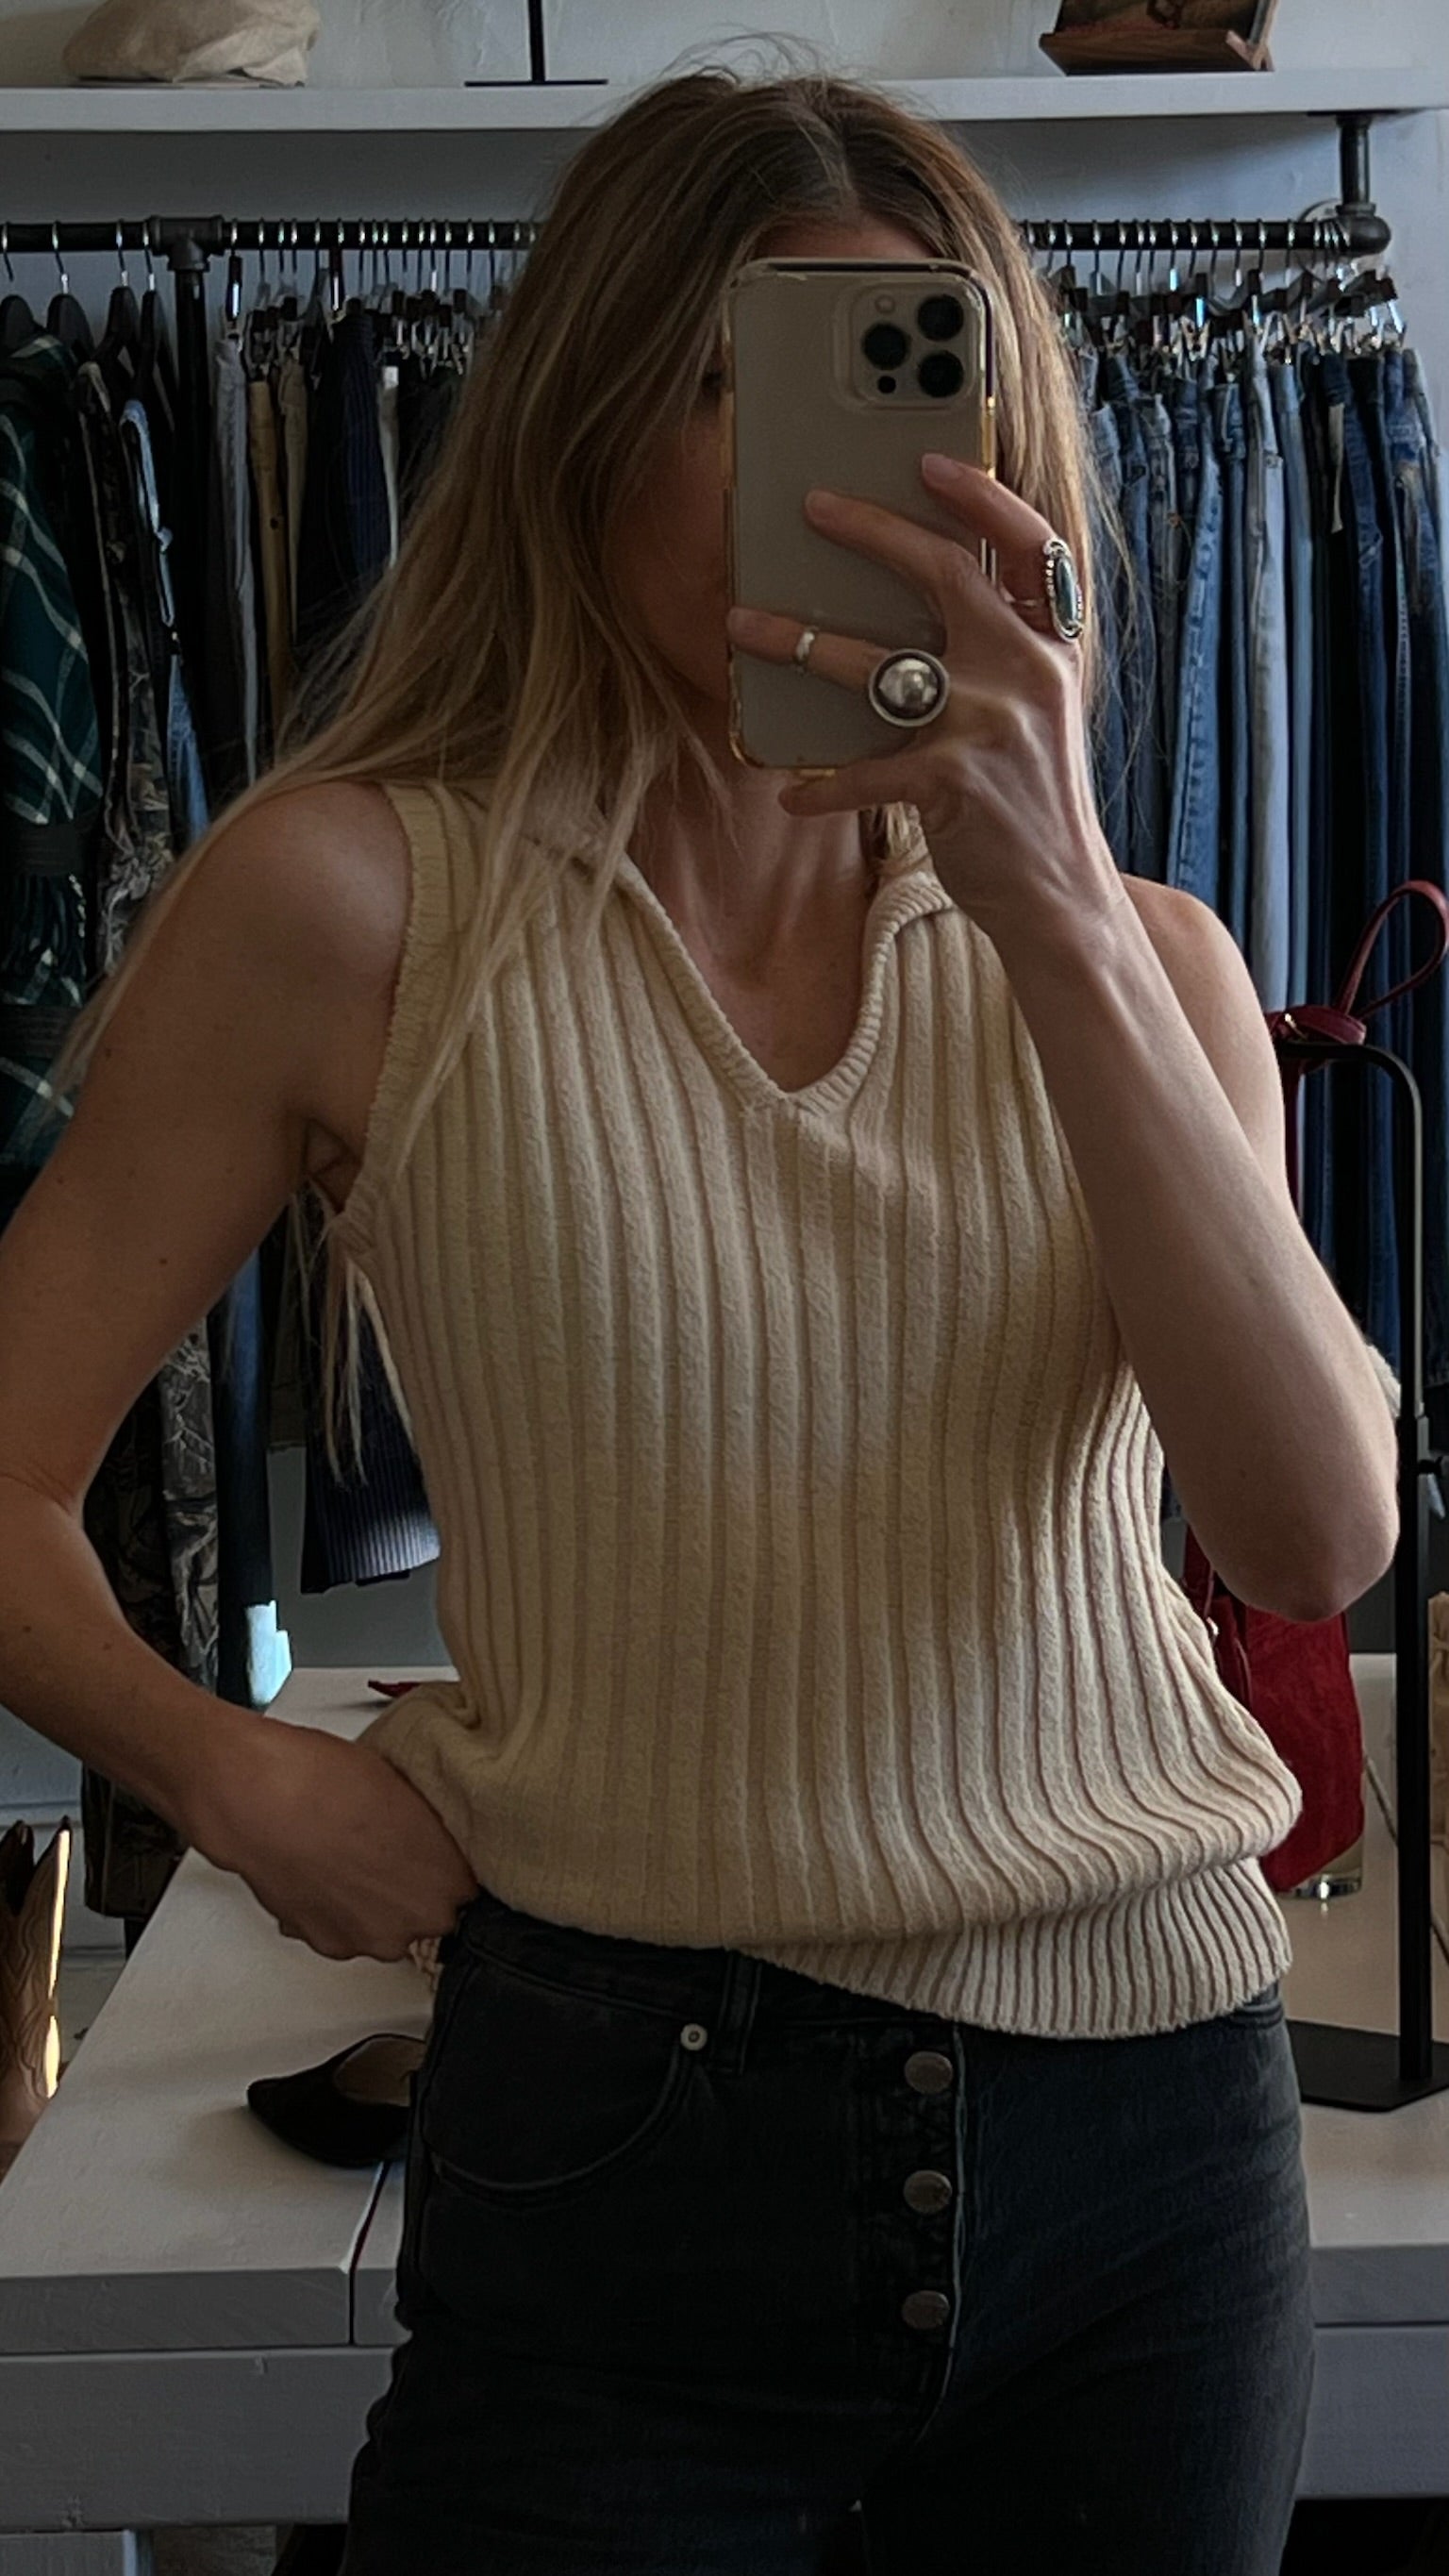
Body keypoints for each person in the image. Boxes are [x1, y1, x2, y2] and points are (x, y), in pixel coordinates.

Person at [0, 60, 1400, 2576]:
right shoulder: (354, 909)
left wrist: (1056, 905)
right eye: (753, 391)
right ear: (582, 430)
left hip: (1149, 2154)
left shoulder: (1146, 957)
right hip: (618, 2141)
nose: (858, 490)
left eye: (921, 398)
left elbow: (1311, 1534)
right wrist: (233, 1778)